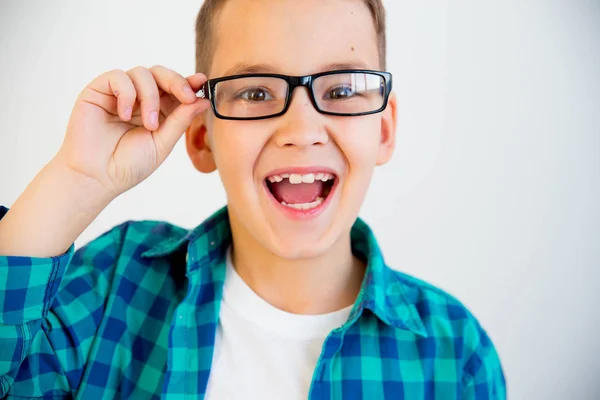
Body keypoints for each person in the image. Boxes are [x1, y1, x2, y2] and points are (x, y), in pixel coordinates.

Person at [0, 0, 506, 398]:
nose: (302, 130)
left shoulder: (454, 356)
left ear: (384, 129)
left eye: (343, 89)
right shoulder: (117, 285)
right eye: (257, 92)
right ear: (201, 137)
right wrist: (78, 178)